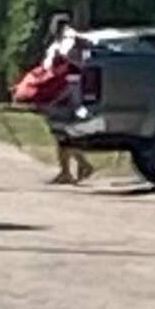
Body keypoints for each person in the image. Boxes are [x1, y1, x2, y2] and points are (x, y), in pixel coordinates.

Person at [43, 14, 94, 185]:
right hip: (58, 88)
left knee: (64, 131)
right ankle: (67, 170)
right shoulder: (57, 43)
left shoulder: (71, 42)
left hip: (68, 89)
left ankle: (81, 165)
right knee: (60, 132)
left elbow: (70, 64)